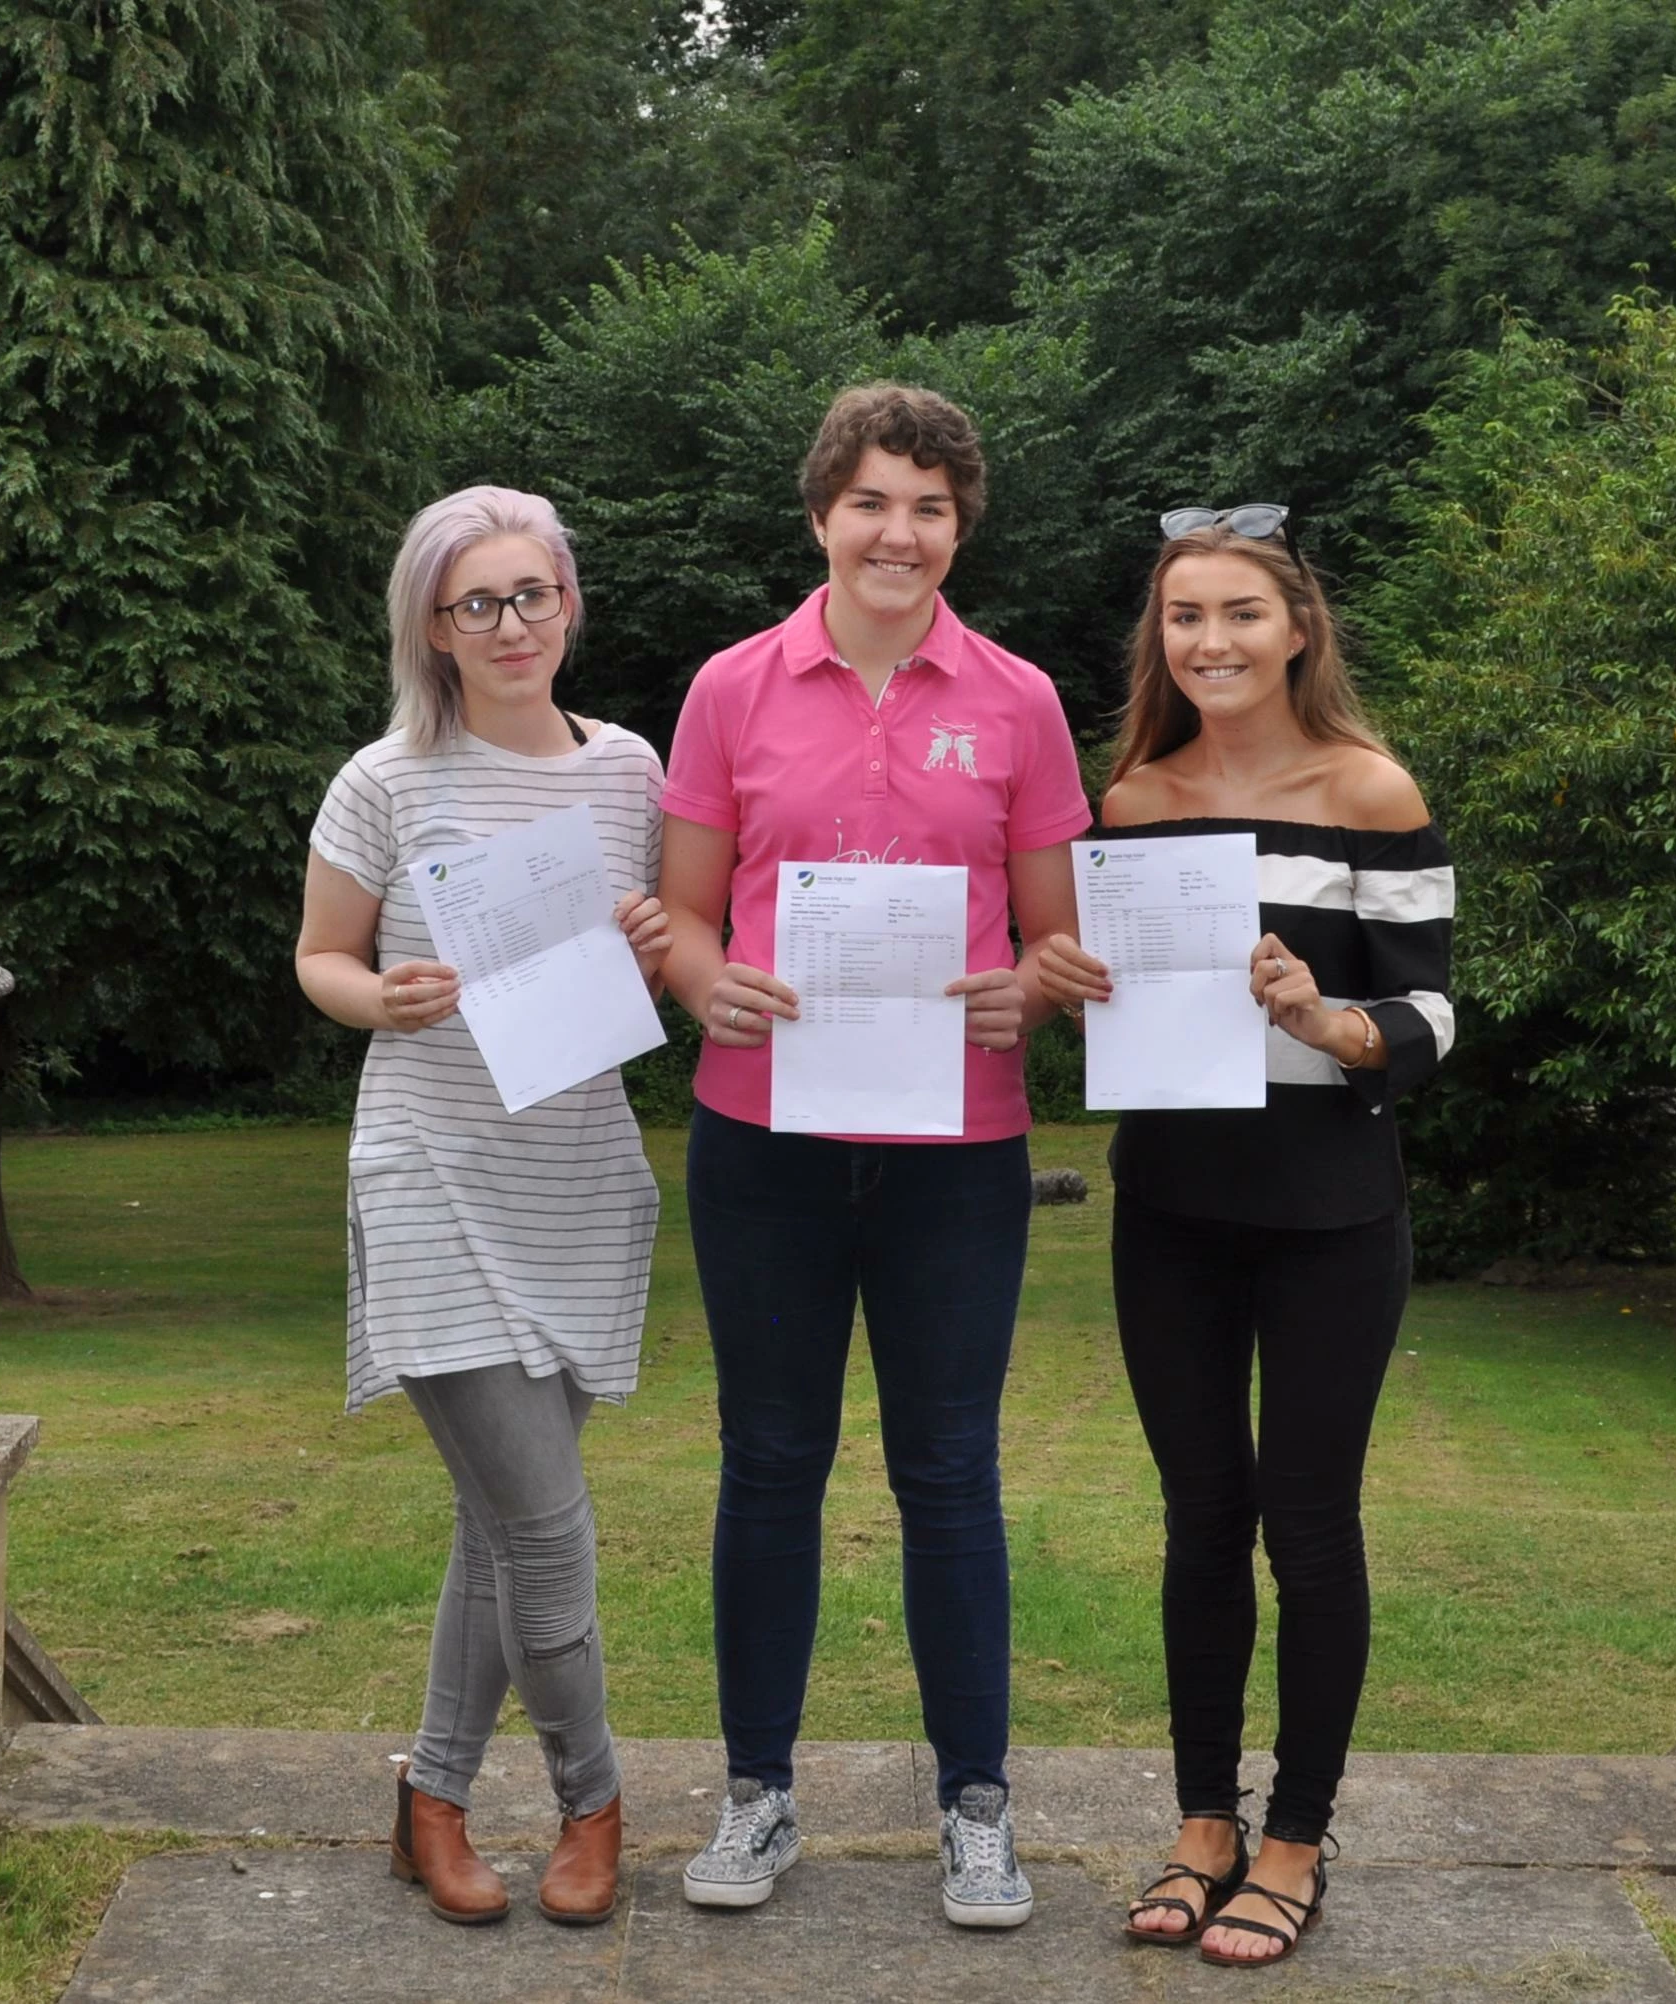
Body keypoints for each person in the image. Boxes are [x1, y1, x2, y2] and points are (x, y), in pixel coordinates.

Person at [656, 383, 1090, 1929]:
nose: (898, 532)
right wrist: (706, 981)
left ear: (960, 527)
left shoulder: (1021, 700)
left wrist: (1030, 987)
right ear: (822, 514)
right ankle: (757, 1794)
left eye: (930, 507)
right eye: (872, 502)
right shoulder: (732, 689)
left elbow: (1059, 938)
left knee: (949, 1475)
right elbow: (689, 915)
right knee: (769, 1467)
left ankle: (977, 1803)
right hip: (761, 1139)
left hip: (958, 1151)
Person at [1030, 505, 1452, 1970]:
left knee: (1310, 1526)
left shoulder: (1371, 791)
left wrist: (1328, 1019)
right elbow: (1111, 1003)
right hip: (1175, 1211)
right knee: (1202, 1520)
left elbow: (1434, 1012)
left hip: (1333, 1213)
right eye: (1183, 618)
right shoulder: (1134, 802)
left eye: (1238, 615)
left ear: (1298, 630)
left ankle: (1295, 1841)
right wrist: (1077, 981)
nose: (1208, 641)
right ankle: (1202, 1822)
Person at [295, 486, 673, 1930]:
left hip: (574, 1175)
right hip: (431, 1169)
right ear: (433, 632)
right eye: (477, 605)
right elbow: (320, 958)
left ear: (569, 604)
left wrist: (650, 945)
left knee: (495, 1527)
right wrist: (373, 995)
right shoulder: (385, 780)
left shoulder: (631, 773)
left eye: (533, 595)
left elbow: (632, 972)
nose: (511, 624)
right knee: (547, 1524)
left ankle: (432, 1800)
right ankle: (595, 1802)